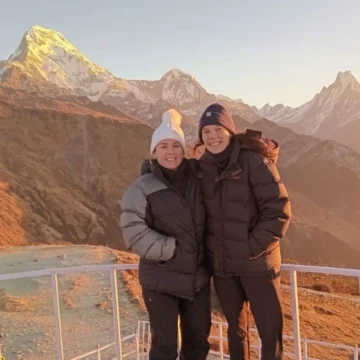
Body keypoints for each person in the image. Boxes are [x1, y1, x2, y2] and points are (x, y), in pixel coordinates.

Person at [197, 103, 291, 360]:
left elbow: (279, 211)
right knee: (236, 332)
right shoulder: (203, 167)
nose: (212, 136)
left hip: (258, 264)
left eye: (218, 129)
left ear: (230, 130)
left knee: (269, 333)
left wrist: (249, 248)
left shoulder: (253, 161)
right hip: (225, 269)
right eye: (206, 132)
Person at [120, 109, 211, 360]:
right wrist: (172, 249)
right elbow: (133, 232)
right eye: (163, 146)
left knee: (198, 342)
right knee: (164, 348)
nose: (170, 152)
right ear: (153, 151)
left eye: (175, 145)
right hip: (160, 279)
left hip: (197, 278)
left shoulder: (200, 178)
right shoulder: (140, 189)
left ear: (183, 149)